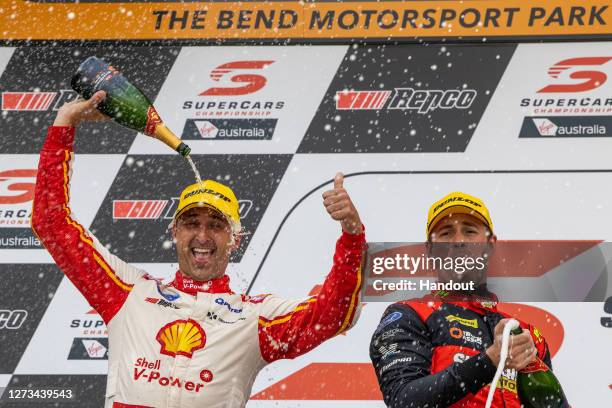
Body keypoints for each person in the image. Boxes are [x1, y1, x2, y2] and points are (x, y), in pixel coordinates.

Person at [32, 91, 366, 408]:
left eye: (216, 225)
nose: (202, 235)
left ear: (235, 238)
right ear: (174, 232)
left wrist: (351, 235)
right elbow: (50, 223)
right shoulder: (127, 294)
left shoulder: (254, 319)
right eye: (192, 223)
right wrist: (64, 124)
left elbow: (333, 315)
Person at [369, 192, 568, 407]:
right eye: (446, 233)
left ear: (490, 244)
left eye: (470, 231)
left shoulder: (527, 336)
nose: (458, 241)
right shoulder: (410, 314)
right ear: (430, 250)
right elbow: (403, 399)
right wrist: (489, 361)